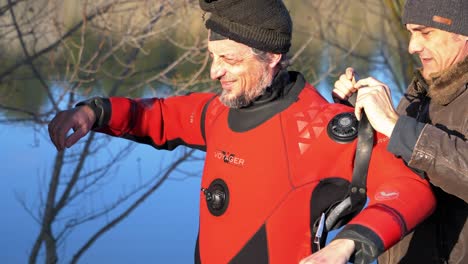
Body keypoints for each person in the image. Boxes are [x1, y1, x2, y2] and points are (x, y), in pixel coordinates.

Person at [48, 0, 435, 263]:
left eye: (229, 60)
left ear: (272, 56)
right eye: (213, 58)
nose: (215, 72)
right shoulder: (217, 111)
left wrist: (349, 244)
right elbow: (158, 117)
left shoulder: (322, 127)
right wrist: (91, 112)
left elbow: (410, 188)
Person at [332, 0, 467, 263]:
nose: (412, 47)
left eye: (426, 32)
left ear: (461, 32)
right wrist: (358, 116)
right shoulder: (424, 90)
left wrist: (395, 125)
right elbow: (394, 169)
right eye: (411, 33)